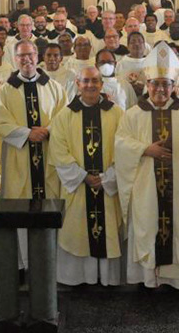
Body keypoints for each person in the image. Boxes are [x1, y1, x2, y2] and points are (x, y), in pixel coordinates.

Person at [114, 41, 179, 289]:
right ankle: (148, 278)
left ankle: (177, 280)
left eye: (165, 84)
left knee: (178, 225)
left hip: (178, 188)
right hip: (146, 186)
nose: (160, 89)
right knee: (148, 224)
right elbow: (120, 144)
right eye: (155, 83)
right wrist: (145, 149)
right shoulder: (133, 114)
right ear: (147, 85)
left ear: (173, 86)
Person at [49, 65, 125, 285]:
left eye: (95, 81)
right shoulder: (65, 115)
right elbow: (58, 150)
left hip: (107, 183)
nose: (90, 85)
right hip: (79, 186)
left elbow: (124, 148)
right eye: (86, 81)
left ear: (102, 84)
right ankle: (77, 278)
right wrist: (83, 176)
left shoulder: (117, 113)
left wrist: (108, 177)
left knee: (107, 229)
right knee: (77, 230)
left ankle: (107, 278)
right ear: (78, 84)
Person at [0, 39, 67, 204]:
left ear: (37, 56)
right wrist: (27, 134)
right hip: (19, 154)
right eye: (21, 55)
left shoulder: (54, 87)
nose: (27, 59)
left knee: (50, 200)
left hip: (48, 150)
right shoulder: (5, 90)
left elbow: (64, 116)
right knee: (21, 201)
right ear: (15, 59)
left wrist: (47, 131)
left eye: (30, 54)